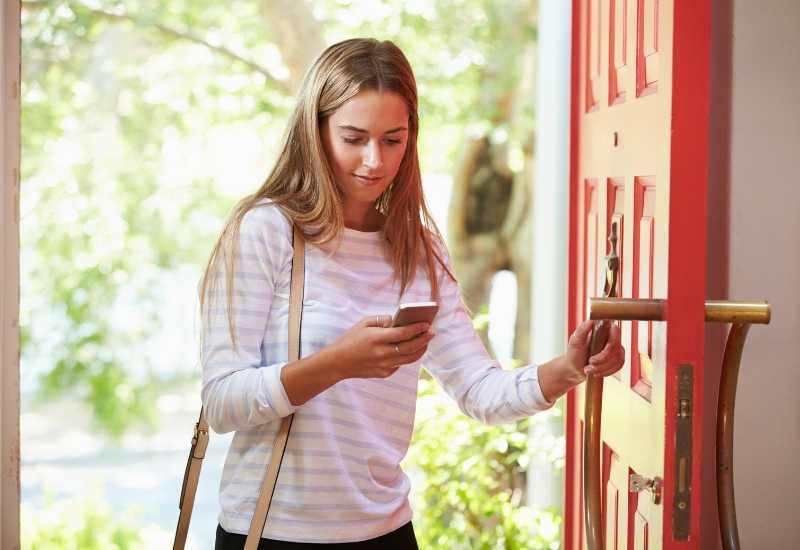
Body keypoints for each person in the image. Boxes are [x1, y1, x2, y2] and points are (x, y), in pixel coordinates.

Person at [198, 38, 624, 549]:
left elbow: (479, 391)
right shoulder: (265, 231)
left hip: (386, 533)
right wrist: (337, 363)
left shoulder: (417, 250)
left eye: (392, 140)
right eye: (353, 137)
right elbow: (221, 403)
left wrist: (568, 368)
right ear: (315, 132)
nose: (374, 161)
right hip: (271, 533)